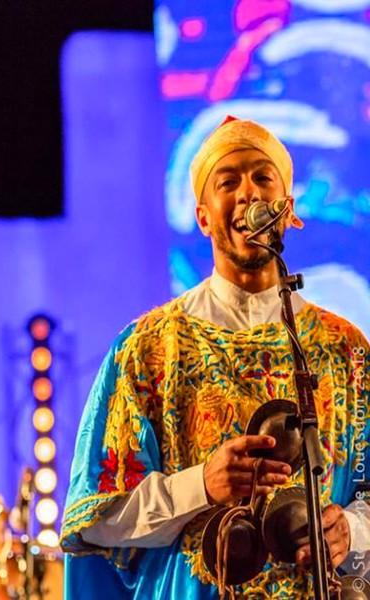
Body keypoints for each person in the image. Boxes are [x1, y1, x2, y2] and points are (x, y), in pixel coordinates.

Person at [60, 117, 370, 598]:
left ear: (288, 210)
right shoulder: (147, 348)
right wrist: (200, 485)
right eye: (229, 182)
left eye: (262, 178)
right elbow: (96, 518)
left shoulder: (344, 348)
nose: (248, 193)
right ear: (203, 217)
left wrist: (350, 529)